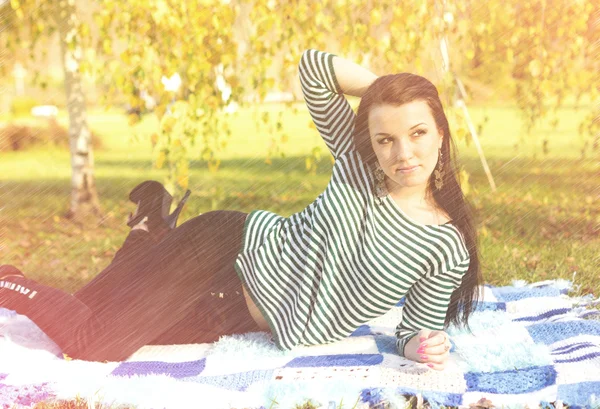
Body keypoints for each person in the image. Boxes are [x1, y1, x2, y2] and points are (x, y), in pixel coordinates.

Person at [0, 49, 481, 370]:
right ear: (371, 143)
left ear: (440, 130)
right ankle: (8, 275)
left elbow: (415, 330)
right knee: (92, 342)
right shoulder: (361, 164)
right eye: (386, 138)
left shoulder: (445, 246)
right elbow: (314, 67)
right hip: (222, 250)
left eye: (417, 132)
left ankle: (151, 228)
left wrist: (419, 345)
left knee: (91, 309)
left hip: (231, 318)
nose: (403, 154)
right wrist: (388, 93)